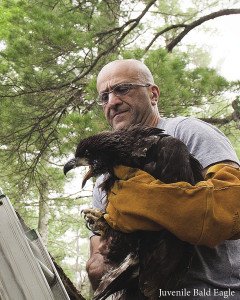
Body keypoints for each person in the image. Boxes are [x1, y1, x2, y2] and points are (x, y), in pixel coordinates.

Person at [86, 59, 240, 298]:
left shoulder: (186, 132)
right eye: (104, 97)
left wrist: (153, 203)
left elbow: (234, 205)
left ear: (153, 94)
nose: (112, 102)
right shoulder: (105, 177)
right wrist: (101, 259)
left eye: (122, 89)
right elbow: (99, 260)